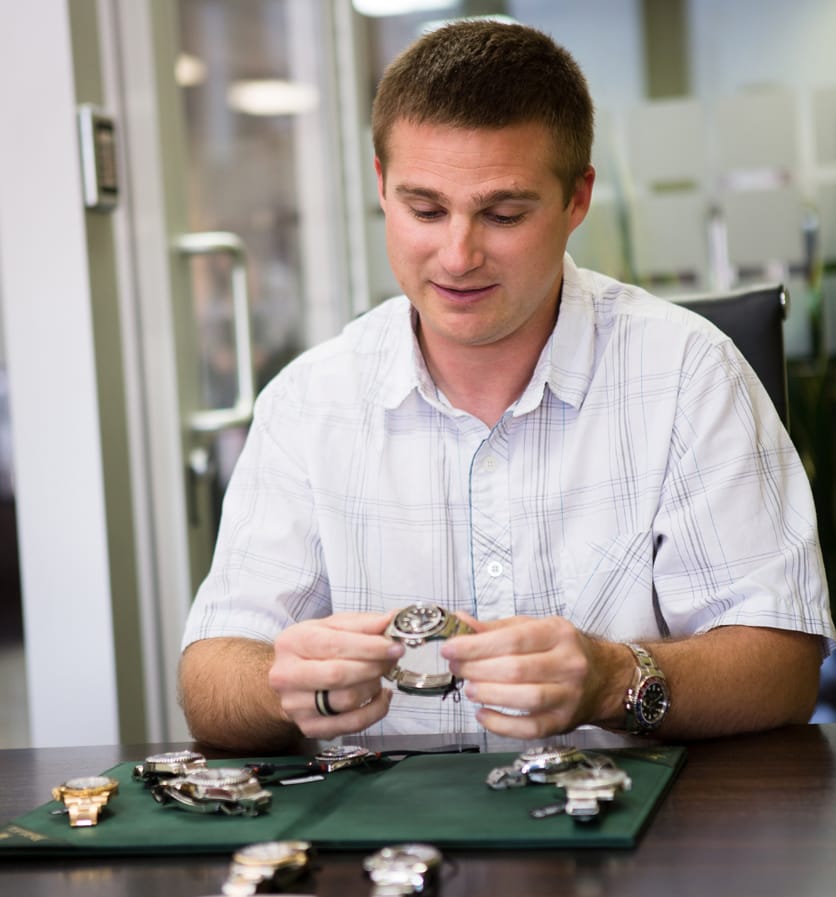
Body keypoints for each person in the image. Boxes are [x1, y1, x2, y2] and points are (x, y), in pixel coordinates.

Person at [178, 19, 834, 753]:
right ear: (381, 189)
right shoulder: (308, 402)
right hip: (383, 843)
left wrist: (612, 677)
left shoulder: (688, 373)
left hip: (636, 839)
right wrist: (279, 681)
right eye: (424, 209)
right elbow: (210, 678)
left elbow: (784, 669)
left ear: (576, 200)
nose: (457, 255)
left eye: (503, 213)